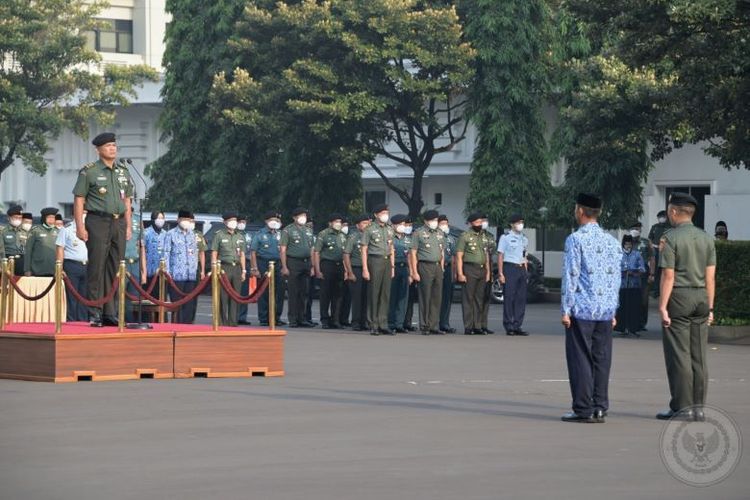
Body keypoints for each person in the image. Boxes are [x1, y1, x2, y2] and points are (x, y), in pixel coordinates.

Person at [561, 193, 622, 423]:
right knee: (602, 359)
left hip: (582, 308)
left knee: (580, 359)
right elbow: (616, 278)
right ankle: (600, 406)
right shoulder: (612, 241)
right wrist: (614, 309)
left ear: (580, 210)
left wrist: (566, 309)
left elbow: (571, 275)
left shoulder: (575, 239)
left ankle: (583, 409)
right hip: (605, 310)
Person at [656, 192, 716, 421]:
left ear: (673, 211)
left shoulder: (670, 238)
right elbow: (711, 278)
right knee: (698, 356)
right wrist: (710, 308)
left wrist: (662, 306)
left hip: (679, 297)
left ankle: (682, 407)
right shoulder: (706, 238)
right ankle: (699, 407)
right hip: (701, 297)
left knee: (678, 356)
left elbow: (668, 276)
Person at [73, 132, 134, 327]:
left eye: (114, 145)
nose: (112, 149)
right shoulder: (89, 171)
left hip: (118, 222)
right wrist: (80, 226)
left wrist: (128, 224)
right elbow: (79, 199)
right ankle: (95, 311)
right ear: (98, 149)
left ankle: (110, 311)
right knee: (97, 267)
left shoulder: (123, 171)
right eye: (108, 146)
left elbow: (127, 200)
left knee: (114, 267)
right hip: (97, 221)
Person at [410, 210, 445, 335]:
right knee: (425, 296)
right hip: (425, 265)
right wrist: (414, 271)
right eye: (432, 220)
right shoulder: (419, 233)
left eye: (436, 220)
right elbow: (413, 253)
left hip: (437, 267)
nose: (435, 222)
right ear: (426, 221)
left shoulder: (440, 233)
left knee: (437, 297)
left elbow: (442, 252)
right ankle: (425, 325)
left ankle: (434, 325)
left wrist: (442, 267)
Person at [361, 204, 395, 335]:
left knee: (385, 293)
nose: (385, 215)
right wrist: (365, 268)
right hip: (375, 260)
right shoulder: (369, 229)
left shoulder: (390, 229)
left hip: (387, 261)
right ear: (376, 215)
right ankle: (373, 323)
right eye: (383, 213)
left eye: (387, 212)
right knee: (374, 293)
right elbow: (364, 249)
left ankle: (383, 323)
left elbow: (391, 248)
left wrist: (392, 267)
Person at [456, 213, 491, 335]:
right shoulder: (465, 236)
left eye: (481, 222)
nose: (480, 224)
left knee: (479, 299)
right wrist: (460, 273)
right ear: (471, 223)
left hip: (482, 269)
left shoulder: (483, 236)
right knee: (468, 299)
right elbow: (459, 256)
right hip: (469, 268)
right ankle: (468, 326)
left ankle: (478, 325)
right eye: (477, 222)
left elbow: (486, 255)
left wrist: (488, 272)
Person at [280, 207, 315, 328]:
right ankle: (293, 319)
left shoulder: (308, 230)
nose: (303, 218)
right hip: (293, 262)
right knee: (293, 292)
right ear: (294, 218)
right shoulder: (287, 230)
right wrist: (284, 266)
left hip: (306, 262)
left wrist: (312, 266)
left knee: (304, 292)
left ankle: (302, 318)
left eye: (304, 216)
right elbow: (283, 250)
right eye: (300, 216)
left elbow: (312, 249)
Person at [250, 210, 286, 327]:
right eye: (272, 220)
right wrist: (255, 268)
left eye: (276, 220)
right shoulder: (259, 234)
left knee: (279, 292)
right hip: (263, 263)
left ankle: (276, 317)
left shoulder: (280, 234)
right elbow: (253, 252)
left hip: (277, 264)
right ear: (266, 221)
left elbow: (284, 250)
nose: (274, 222)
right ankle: (264, 318)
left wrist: (284, 266)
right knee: (264, 291)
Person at [164, 210, 200, 323]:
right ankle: (176, 325)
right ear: (178, 220)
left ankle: (187, 326)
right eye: (184, 220)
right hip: (176, 275)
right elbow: (166, 254)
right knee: (177, 304)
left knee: (189, 304)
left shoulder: (192, 234)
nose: (186, 222)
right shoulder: (170, 234)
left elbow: (194, 253)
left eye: (188, 220)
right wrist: (167, 273)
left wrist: (195, 270)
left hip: (190, 275)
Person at [211, 212, 246, 326]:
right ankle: (221, 321)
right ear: (225, 222)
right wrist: (214, 267)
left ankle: (233, 321)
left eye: (235, 220)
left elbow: (242, 255)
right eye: (231, 220)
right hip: (223, 267)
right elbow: (214, 252)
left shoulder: (240, 236)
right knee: (222, 296)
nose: (234, 222)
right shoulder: (219, 235)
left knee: (235, 295)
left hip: (236, 268)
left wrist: (244, 270)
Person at [497, 213, 529, 336]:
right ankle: (509, 325)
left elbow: (524, 255)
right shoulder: (505, 237)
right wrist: (500, 273)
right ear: (512, 224)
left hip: (521, 269)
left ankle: (517, 325)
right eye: (518, 222)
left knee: (521, 298)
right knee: (509, 297)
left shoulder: (524, 238)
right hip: (510, 268)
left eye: (521, 222)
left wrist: (526, 272)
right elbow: (500, 255)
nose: (520, 225)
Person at [313, 213, 347, 329]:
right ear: (330, 223)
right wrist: (317, 269)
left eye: (340, 222)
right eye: (336, 222)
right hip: (327, 265)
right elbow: (316, 252)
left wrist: (347, 270)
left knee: (338, 295)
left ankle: (335, 320)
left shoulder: (342, 235)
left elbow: (345, 253)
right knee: (325, 294)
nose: (338, 224)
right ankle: (325, 320)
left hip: (339, 266)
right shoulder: (323, 234)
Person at [55, 210, 89, 321]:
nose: (84, 214)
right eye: (82, 212)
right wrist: (59, 267)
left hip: (86, 265)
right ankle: (71, 321)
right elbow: (60, 248)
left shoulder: (90, 228)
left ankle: (83, 321)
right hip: (72, 265)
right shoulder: (67, 229)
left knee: (84, 296)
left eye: (86, 212)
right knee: (72, 296)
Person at [343, 214, 371, 331]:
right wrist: (349, 272)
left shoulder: (371, 236)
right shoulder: (353, 237)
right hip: (356, 268)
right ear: (357, 225)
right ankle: (356, 322)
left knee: (366, 297)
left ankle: (364, 321)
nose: (366, 225)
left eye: (368, 223)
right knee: (357, 297)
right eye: (364, 223)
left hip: (369, 269)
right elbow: (346, 254)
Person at [614, 235, 645, 337]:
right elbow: (614, 269)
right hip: (622, 285)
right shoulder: (618, 254)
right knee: (622, 307)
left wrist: (634, 273)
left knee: (634, 307)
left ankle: (633, 328)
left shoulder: (637, 254)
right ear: (623, 244)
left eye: (630, 244)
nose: (628, 246)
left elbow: (642, 269)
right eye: (626, 244)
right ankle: (622, 328)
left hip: (634, 285)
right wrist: (621, 272)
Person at [388, 214, 412, 333]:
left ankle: (399, 323)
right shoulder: (389, 237)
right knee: (392, 296)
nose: (402, 226)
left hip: (405, 268)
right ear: (393, 225)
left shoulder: (408, 239)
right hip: (393, 268)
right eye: (400, 224)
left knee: (403, 297)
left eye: (403, 224)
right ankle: (391, 322)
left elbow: (411, 256)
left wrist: (411, 273)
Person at [629, 221, 655, 331]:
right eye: (634, 228)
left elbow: (652, 258)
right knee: (630, 298)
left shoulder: (646, 242)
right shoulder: (626, 241)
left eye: (638, 228)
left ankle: (642, 323)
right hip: (629, 273)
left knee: (643, 300)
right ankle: (631, 323)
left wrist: (652, 274)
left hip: (643, 273)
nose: (637, 230)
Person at [124, 209, 146, 322]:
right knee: (120, 297)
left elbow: (141, 247)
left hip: (135, 263)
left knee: (135, 298)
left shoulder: (138, 219)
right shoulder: (117, 219)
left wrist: (144, 271)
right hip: (123, 263)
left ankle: (133, 322)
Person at [438, 215, 457, 333]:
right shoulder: (435, 236)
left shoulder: (451, 238)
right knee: (437, 297)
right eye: (442, 223)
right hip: (438, 268)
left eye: (446, 223)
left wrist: (454, 273)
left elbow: (454, 256)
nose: (445, 225)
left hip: (449, 268)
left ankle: (445, 323)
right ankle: (435, 323)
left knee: (447, 297)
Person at [478, 214, 495, 334]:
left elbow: (492, 250)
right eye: (482, 220)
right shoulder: (475, 235)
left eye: (486, 220)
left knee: (486, 299)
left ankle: (484, 324)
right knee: (477, 299)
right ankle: (476, 324)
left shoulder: (489, 236)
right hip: (478, 268)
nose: (484, 222)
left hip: (488, 267)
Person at [648, 209, 670, 298]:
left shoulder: (670, 227)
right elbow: (650, 238)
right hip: (655, 250)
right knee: (656, 271)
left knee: (665, 271)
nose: (661, 219)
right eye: (660, 217)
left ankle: (664, 291)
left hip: (666, 251)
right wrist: (652, 248)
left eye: (663, 217)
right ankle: (656, 291)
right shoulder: (655, 227)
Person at [2, 205, 29, 276]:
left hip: (22, 262)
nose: (18, 219)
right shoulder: (3, 232)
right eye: (16, 217)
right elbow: (1, 250)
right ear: (9, 218)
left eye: (20, 218)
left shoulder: (25, 232)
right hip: (8, 260)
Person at [237, 215, 253, 325]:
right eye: (240, 221)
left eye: (244, 221)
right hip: (233, 263)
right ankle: (232, 316)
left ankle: (242, 317)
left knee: (244, 292)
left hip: (246, 263)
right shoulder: (233, 234)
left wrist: (252, 267)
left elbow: (251, 252)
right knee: (232, 290)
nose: (242, 223)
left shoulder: (247, 236)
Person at [143, 211, 167, 281]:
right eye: (159, 218)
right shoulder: (146, 233)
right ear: (153, 219)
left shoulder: (165, 234)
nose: (161, 220)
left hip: (162, 271)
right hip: (149, 271)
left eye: (162, 218)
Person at [338, 219, 352, 327]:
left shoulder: (349, 237)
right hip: (340, 267)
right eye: (344, 225)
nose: (345, 227)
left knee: (348, 296)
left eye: (347, 225)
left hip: (349, 267)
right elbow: (343, 254)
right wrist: (346, 271)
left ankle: (345, 318)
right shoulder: (338, 236)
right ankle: (337, 319)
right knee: (339, 296)